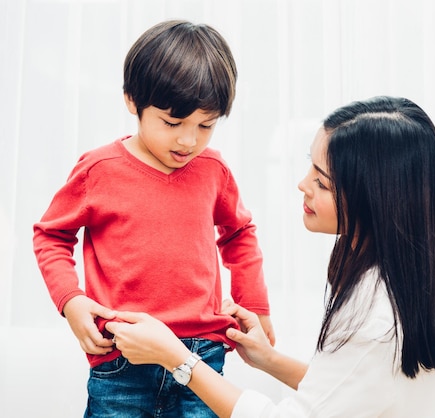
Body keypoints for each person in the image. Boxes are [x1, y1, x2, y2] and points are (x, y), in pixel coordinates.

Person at [106, 95, 435, 417]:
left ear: (374, 202)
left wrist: (177, 358)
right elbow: (347, 393)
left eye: (322, 182)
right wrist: (270, 360)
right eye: (311, 165)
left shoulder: (376, 321)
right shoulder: (405, 283)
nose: (303, 184)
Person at [33, 20, 274, 418]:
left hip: (202, 356)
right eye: (172, 123)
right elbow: (51, 236)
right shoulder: (99, 169)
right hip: (121, 357)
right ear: (132, 100)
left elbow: (240, 233)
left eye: (205, 126)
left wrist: (256, 305)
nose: (188, 140)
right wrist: (71, 301)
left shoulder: (214, 169)